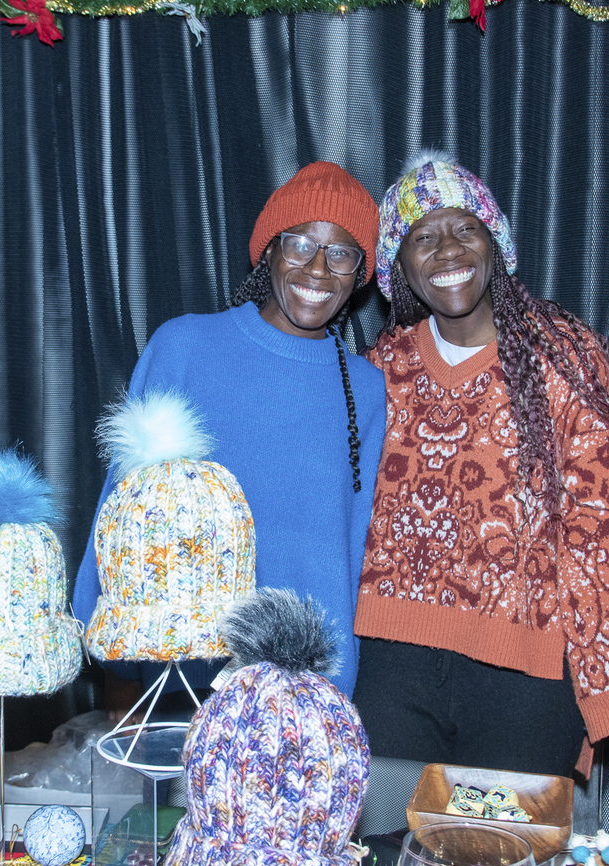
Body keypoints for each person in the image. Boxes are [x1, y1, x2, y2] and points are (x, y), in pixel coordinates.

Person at [352, 152, 609, 779]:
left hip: (524, 681)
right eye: (421, 237)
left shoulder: (563, 357)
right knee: (389, 862)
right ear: (396, 269)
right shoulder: (380, 368)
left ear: (495, 242)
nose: (447, 250)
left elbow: (607, 526)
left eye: (465, 228)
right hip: (392, 670)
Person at [74, 161, 386, 705]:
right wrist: (92, 623)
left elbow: (355, 542)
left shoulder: (364, 386)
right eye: (299, 244)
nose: (318, 267)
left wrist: (341, 676)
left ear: (359, 273)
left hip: (304, 689)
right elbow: (122, 504)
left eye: (340, 252)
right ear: (268, 251)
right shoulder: (184, 347)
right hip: (180, 665)